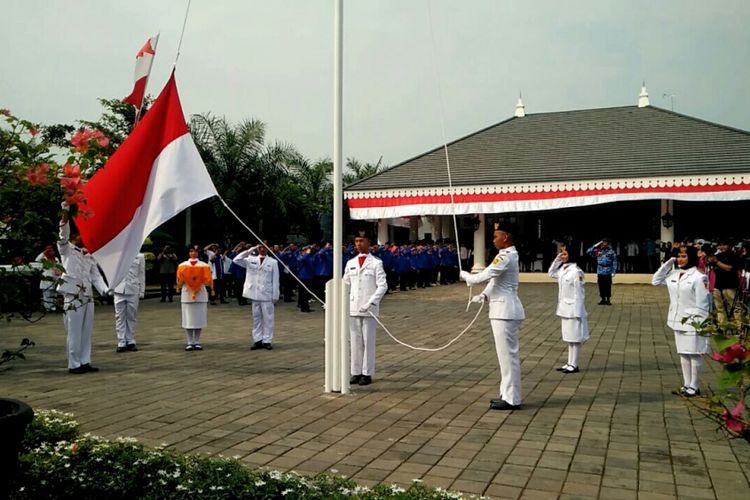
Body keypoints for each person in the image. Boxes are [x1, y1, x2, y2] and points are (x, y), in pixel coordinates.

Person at [459, 222, 525, 410]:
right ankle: (506, 393)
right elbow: (496, 281)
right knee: (504, 356)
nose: (494, 239)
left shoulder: (505, 256)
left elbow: (484, 275)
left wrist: (466, 276)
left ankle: (513, 398)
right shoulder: (505, 256)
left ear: (506, 237)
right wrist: (484, 295)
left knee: (508, 356)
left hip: (505, 312)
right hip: (502, 310)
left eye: (497, 236)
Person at [652, 244, 711, 397]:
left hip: (693, 321)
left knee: (694, 353)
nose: (680, 259)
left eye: (684, 256)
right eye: (678, 256)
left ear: (691, 257)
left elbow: (703, 303)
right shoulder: (674, 274)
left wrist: (701, 325)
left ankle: (695, 385)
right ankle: (687, 384)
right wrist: (669, 262)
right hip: (677, 319)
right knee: (683, 353)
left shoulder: (699, 277)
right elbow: (655, 281)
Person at [56, 203, 109, 374]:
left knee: (86, 330)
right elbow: (62, 233)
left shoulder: (88, 253)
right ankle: (74, 363)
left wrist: (106, 290)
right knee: (73, 330)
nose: (84, 237)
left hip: (87, 294)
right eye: (81, 234)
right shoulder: (66, 249)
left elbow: (95, 275)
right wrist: (65, 212)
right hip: (72, 294)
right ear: (74, 235)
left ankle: (85, 360)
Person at [343, 231, 388, 386]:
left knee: (368, 341)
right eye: (356, 241)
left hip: (368, 308)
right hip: (353, 306)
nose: (358, 244)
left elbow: (382, 286)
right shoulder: (351, 263)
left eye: (361, 240)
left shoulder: (376, 263)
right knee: (355, 341)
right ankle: (355, 371)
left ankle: (367, 373)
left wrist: (371, 302)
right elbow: (345, 284)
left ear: (369, 242)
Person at [548, 246, 589, 373]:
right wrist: (557, 259)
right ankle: (569, 362)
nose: (563, 256)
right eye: (561, 254)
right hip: (564, 308)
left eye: (565, 254)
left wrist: (578, 311)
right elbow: (551, 273)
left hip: (573, 310)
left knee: (575, 338)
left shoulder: (576, 272)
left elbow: (579, 293)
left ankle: (574, 364)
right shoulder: (563, 269)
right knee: (568, 337)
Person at [233, 243, 280, 350]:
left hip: (267, 294)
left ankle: (267, 340)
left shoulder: (273, 262)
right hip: (255, 294)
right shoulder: (251, 259)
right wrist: (251, 249)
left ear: (269, 249)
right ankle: (257, 340)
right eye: (260, 247)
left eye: (265, 247)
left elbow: (275, 280)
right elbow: (236, 259)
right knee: (256, 318)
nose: (262, 249)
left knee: (268, 318)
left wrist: (275, 295)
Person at [176, 245, 214, 351]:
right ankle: (189, 342)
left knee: (199, 319)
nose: (193, 253)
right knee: (188, 319)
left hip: (200, 293)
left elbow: (208, 281)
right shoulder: (182, 265)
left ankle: (197, 341)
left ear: (198, 253)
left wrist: (200, 281)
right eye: (191, 251)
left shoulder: (204, 266)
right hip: (187, 294)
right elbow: (178, 283)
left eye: (196, 251)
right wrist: (184, 279)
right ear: (188, 253)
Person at [112, 253, 146, 352]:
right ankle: (121, 341)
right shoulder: (117, 254)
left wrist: (142, 290)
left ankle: (130, 340)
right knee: (119, 316)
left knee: (131, 316)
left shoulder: (140, 256)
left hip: (133, 288)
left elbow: (141, 274)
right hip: (119, 288)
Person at [708, 238, 742, 324]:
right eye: (720, 245)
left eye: (724, 245)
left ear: (730, 246)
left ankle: (739, 327)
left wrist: (716, 261)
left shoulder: (734, 256)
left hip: (730, 285)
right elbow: (710, 265)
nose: (722, 247)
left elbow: (729, 268)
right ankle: (722, 326)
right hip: (718, 285)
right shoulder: (718, 255)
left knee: (736, 308)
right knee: (719, 308)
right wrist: (710, 259)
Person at [586, 238, 617, 305]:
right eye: (602, 243)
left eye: (605, 243)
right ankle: (602, 299)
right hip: (600, 270)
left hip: (608, 270)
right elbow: (588, 252)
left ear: (608, 244)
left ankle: (608, 299)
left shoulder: (611, 252)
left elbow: (614, 262)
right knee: (601, 285)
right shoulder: (598, 251)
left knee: (608, 286)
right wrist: (596, 245)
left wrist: (613, 271)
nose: (604, 244)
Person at [35, 244, 61, 312]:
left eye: (53, 250)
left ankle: (53, 307)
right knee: (46, 294)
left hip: (55, 278)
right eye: (50, 250)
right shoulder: (44, 259)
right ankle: (47, 308)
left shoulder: (56, 259)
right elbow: (37, 259)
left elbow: (59, 268)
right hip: (46, 278)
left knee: (54, 294)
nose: (53, 251)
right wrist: (44, 252)